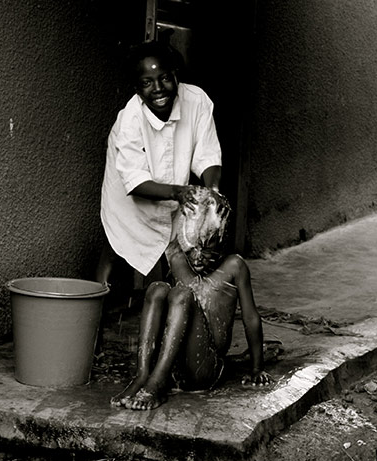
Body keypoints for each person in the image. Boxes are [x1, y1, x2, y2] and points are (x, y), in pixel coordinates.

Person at [111, 187, 274, 410]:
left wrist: (256, 368)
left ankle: (156, 383)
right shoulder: (177, 257)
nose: (197, 258)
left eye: (207, 251)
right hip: (173, 365)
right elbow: (160, 310)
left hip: (204, 369)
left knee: (181, 293)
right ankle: (143, 375)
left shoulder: (234, 267)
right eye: (193, 249)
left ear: (222, 242)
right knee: (157, 289)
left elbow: (251, 318)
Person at [96, 40, 222, 288]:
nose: (158, 89)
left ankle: (161, 303)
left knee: (172, 254)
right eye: (146, 82)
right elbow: (135, 181)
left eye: (164, 78)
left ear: (175, 74)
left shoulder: (197, 101)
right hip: (131, 192)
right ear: (136, 88)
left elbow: (207, 154)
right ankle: (95, 310)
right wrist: (178, 192)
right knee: (118, 243)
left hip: (175, 195)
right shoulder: (129, 120)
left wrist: (212, 192)